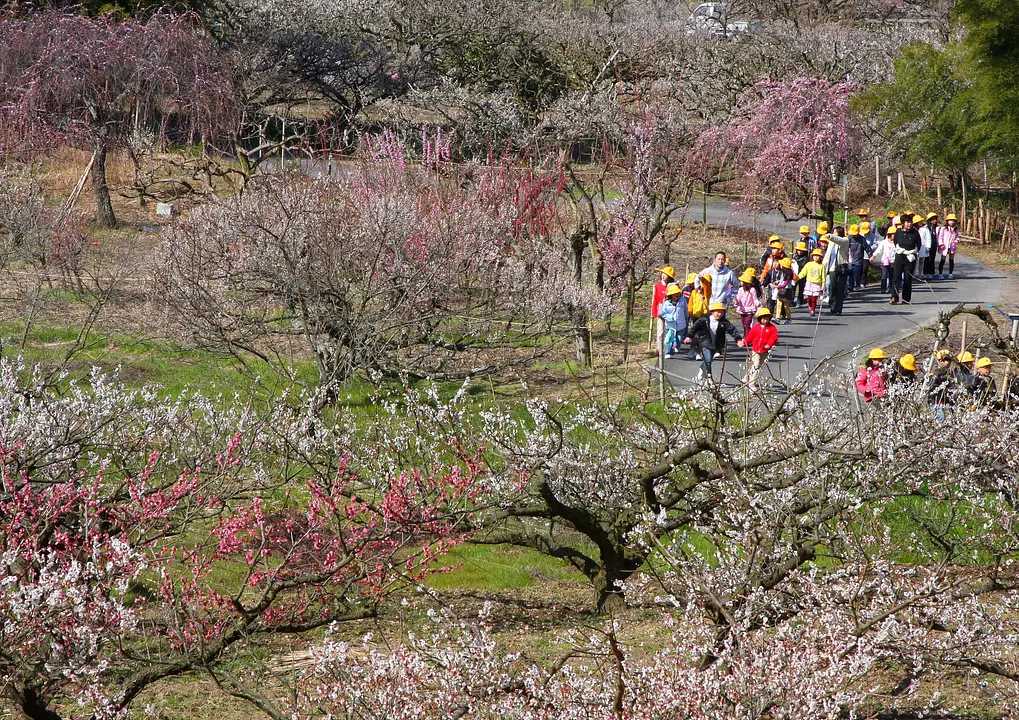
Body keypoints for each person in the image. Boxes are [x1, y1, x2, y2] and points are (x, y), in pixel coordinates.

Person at [684, 301, 743, 383]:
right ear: (712, 312)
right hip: (704, 343)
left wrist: (738, 339)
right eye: (718, 312)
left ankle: (702, 368)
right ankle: (709, 378)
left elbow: (732, 330)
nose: (720, 314)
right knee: (708, 360)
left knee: (708, 360)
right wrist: (689, 336)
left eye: (722, 312)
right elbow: (694, 327)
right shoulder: (704, 320)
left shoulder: (724, 322)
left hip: (716, 345)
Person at [737, 307, 778, 391]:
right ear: (759, 319)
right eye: (763, 319)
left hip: (765, 351)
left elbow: (774, 338)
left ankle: (748, 375)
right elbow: (750, 337)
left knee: (759, 366)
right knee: (756, 366)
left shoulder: (772, 328)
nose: (765, 321)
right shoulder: (756, 327)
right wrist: (744, 342)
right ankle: (752, 383)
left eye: (767, 319)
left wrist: (769, 345)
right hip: (756, 350)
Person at [890, 214, 921, 305]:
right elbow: (896, 242)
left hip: (910, 257)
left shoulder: (915, 232)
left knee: (908, 279)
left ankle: (906, 299)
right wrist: (901, 251)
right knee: (896, 277)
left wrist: (912, 253)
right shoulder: (898, 232)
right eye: (907, 222)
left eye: (911, 222)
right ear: (903, 223)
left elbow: (918, 245)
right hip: (900, 256)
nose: (909, 224)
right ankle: (894, 297)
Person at [823, 225, 850, 315]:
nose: (833, 234)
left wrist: (830, 236)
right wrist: (824, 265)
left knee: (840, 288)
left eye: (835, 232)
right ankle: (832, 306)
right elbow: (828, 255)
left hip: (842, 267)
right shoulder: (831, 243)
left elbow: (839, 240)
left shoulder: (845, 240)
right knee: (832, 287)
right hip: (832, 267)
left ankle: (838, 308)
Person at [651, 266, 677, 353]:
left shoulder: (672, 286)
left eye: (666, 275)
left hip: (670, 310)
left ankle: (671, 346)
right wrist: (655, 311)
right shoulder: (657, 286)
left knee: (671, 329)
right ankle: (659, 347)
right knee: (660, 330)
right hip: (661, 310)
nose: (663, 276)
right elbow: (656, 300)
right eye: (663, 274)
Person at [657, 284, 688, 358]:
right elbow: (663, 313)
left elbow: (685, 310)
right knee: (670, 339)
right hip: (671, 325)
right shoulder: (667, 303)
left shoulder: (682, 300)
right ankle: (668, 352)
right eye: (675, 294)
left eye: (678, 293)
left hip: (681, 324)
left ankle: (677, 345)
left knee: (680, 338)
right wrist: (669, 317)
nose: (677, 295)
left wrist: (687, 317)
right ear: (671, 295)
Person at [766, 257, 795, 324]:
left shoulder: (789, 274)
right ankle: (777, 318)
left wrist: (776, 286)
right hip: (780, 290)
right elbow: (782, 281)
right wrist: (778, 281)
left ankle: (789, 318)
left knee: (786, 306)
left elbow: (785, 284)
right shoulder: (782, 272)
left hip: (786, 291)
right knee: (778, 305)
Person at [733, 269, 762, 335]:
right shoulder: (740, 290)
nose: (740, 282)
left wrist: (757, 303)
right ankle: (747, 335)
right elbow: (738, 298)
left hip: (750, 309)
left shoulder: (752, 290)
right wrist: (736, 301)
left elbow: (755, 299)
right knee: (744, 324)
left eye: (742, 281)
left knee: (747, 324)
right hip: (742, 309)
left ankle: (747, 337)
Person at [800, 248, 826, 316]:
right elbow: (803, 272)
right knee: (809, 298)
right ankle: (809, 306)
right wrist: (797, 277)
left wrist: (823, 285)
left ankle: (813, 309)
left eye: (818, 256)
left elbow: (823, 276)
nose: (816, 257)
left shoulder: (822, 266)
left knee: (814, 298)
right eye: (814, 255)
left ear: (820, 257)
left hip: (817, 284)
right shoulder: (809, 264)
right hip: (809, 283)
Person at [871, 226, 896, 294]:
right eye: (893, 234)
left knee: (892, 276)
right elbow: (879, 250)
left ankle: (891, 288)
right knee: (884, 276)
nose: (894, 236)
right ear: (889, 235)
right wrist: (873, 256)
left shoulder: (897, 243)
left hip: (893, 261)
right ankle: (883, 288)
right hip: (885, 261)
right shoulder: (884, 242)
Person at [936, 213, 960, 279]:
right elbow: (940, 237)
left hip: (952, 246)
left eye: (953, 220)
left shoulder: (955, 229)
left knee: (951, 260)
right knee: (943, 260)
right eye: (950, 220)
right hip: (944, 246)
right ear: (947, 221)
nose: (951, 222)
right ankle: (940, 274)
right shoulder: (944, 229)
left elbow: (957, 237)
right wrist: (941, 244)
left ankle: (950, 273)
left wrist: (956, 241)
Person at [848, 224, 866, 292]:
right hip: (851, 258)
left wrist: (871, 255)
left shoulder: (862, 239)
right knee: (850, 273)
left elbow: (866, 247)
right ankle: (851, 286)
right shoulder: (849, 238)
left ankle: (857, 284)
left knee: (857, 273)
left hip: (858, 258)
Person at [920, 212, 939, 279]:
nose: (934, 221)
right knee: (927, 259)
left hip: (934, 245)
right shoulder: (925, 228)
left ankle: (931, 272)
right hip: (926, 246)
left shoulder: (936, 228)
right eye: (932, 219)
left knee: (932, 259)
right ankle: (925, 272)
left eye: (935, 219)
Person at [791, 240, 810, 307]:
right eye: (798, 250)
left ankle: (800, 301)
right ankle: (791, 300)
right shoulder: (795, 257)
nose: (799, 251)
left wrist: (797, 263)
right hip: (795, 275)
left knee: (801, 288)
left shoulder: (806, 258)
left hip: (802, 275)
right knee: (793, 287)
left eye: (801, 250)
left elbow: (803, 265)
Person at [859, 220, 876, 288]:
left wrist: (870, 249)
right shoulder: (860, 234)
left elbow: (875, 244)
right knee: (858, 268)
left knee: (864, 269)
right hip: (859, 254)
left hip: (867, 255)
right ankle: (857, 281)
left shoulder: (873, 236)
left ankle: (863, 282)